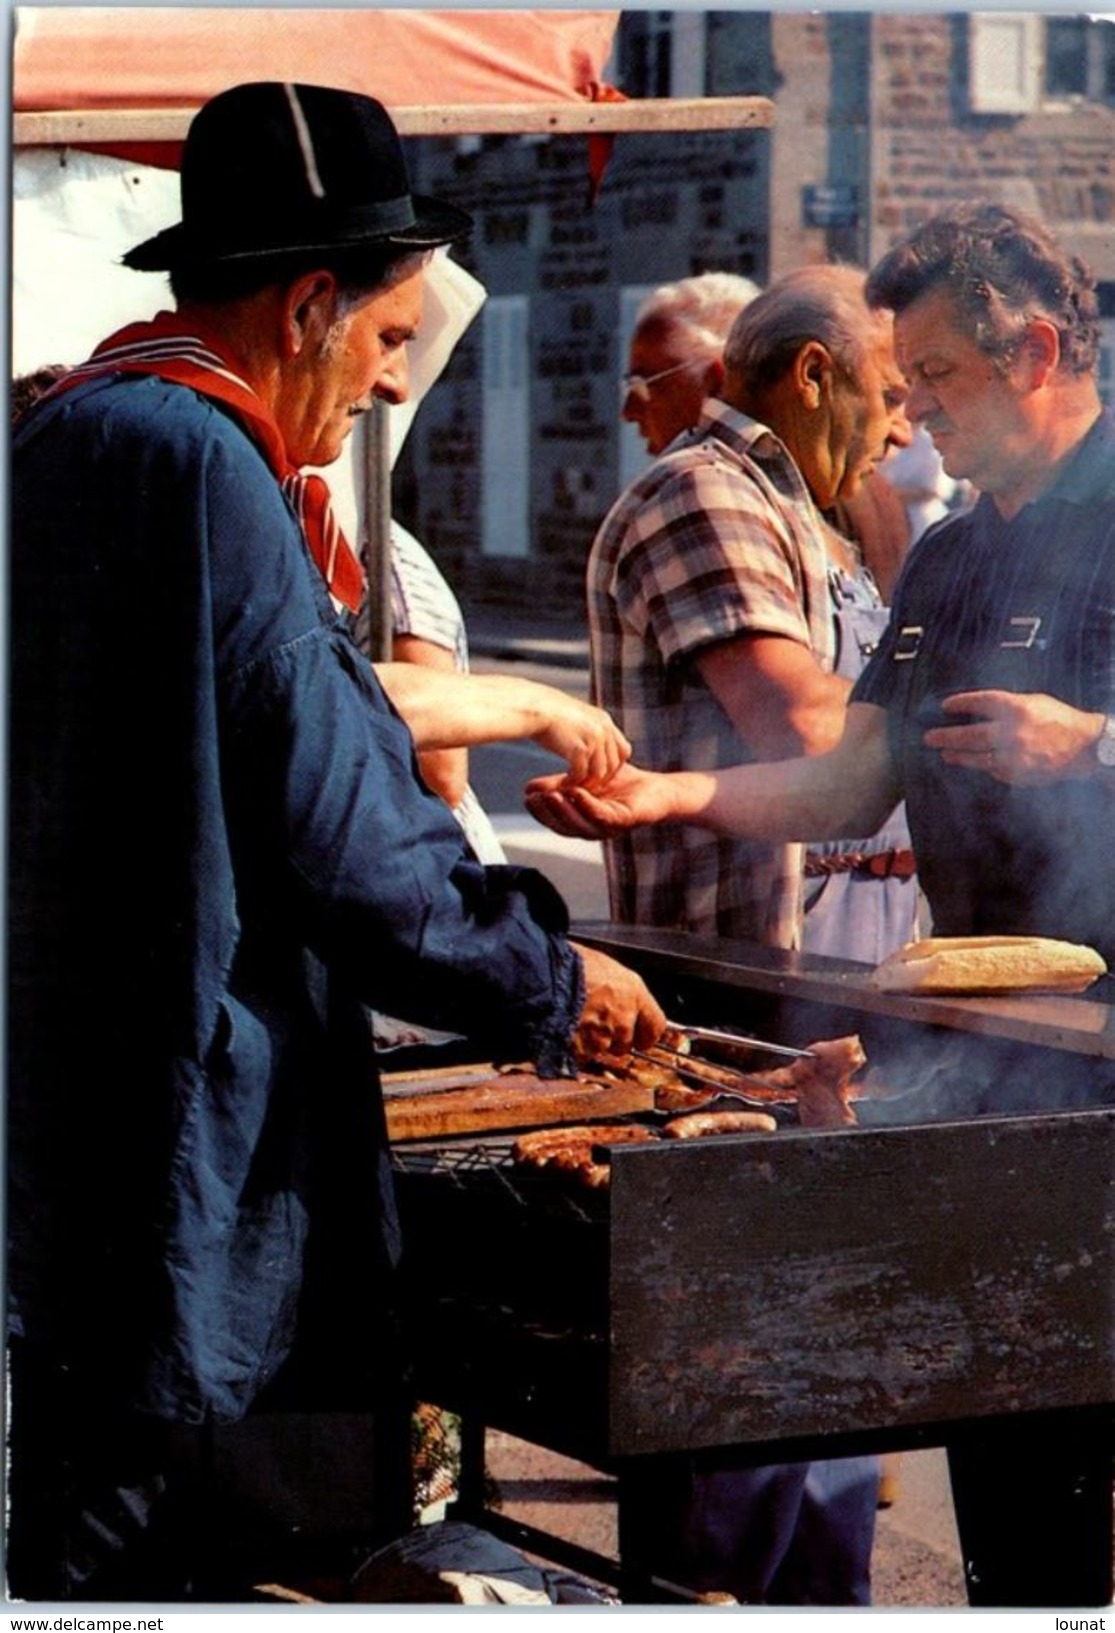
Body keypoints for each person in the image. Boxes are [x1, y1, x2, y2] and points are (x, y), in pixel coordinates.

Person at [8, 80, 667, 1602]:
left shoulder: (66, 436)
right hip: (192, 1141)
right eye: (383, 341)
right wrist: (545, 975)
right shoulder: (202, 463)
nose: (386, 386)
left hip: (77, 1133)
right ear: (308, 304)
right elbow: (341, 829)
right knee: (192, 1553)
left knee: (82, 1533)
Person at [528, 200, 1115, 1609]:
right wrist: (670, 799)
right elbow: (850, 778)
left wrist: (1090, 744)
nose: (907, 414)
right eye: (898, 382)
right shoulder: (951, 553)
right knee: (1010, 1449)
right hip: (1000, 1073)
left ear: (1034, 350)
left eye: (937, 381)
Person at [592, 263, 912, 954]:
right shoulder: (702, 491)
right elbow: (802, 726)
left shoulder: (813, 507)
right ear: (812, 374)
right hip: (744, 970)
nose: (903, 433)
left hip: (856, 951)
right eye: (890, 395)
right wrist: (971, 730)